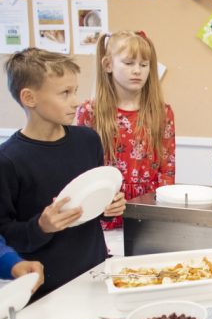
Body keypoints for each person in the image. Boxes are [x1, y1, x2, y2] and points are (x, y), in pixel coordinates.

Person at [0, 48, 126, 299]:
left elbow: (90, 209)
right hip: (45, 289)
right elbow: (5, 232)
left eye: (75, 90)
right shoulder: (8, 160)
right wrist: (41, 227)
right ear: (29, 98)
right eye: (65, 93)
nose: (76, 101)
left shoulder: (88, 140)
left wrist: (109, 204)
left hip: (96, 273)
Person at [77, 30, 175, 230]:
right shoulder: (89, 111)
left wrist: (158, 211)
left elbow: (167, 168)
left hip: (147, 213)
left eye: (144, 64)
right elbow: (82, 170)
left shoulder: (162, 112)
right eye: (129, 63)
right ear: (108, 65)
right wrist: (97, 201)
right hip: (103, 212)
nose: (137, 70)